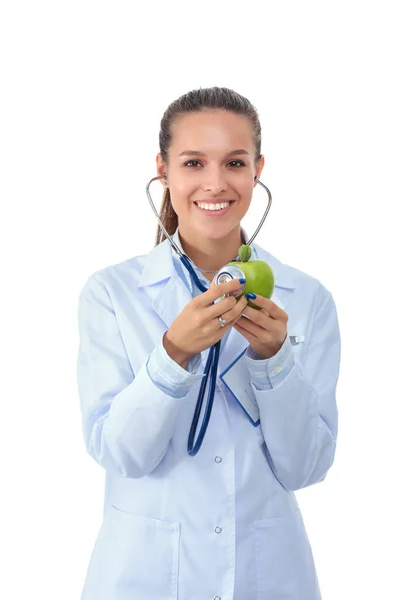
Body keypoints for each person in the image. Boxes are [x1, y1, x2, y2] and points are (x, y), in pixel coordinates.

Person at [76, 86, 341, 600]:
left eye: (235, 162)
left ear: (258, 169)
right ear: (163, 169)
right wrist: (172, 353)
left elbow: (305, 468)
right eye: (194, 162)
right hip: (142, 577)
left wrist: (275, 363)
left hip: (268, 578)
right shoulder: (111, 293)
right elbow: (121, 453)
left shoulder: (307, 298)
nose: (215, 183)